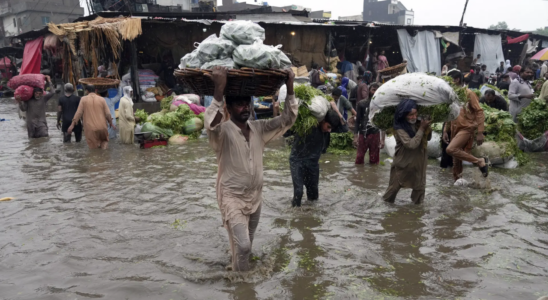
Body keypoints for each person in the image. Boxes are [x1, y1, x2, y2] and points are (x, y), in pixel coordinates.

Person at [204, 66, 298, 272]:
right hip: (232, 196)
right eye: (239, 104)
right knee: (244, 246)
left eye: (247, 103)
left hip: (255, 196)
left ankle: (239, 274)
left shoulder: (259, 128)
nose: (245, 108)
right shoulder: (223, 132)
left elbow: (288, 120)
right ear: (229, 107)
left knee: (248, 244)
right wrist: (219, 91)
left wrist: (290, 87)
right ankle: (242, 284)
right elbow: (211, 123)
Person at [382, 99, 432, 204]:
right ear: (403, 115)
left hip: (418, 164)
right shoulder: (399, 128)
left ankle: (416, 217)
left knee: (419, 192)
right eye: (410, 115)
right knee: (391, 193)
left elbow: (428, 138)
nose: (413, 117)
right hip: (402, 164)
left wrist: (427, 127)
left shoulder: (419, 123)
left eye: (415, 114)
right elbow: (410, 145)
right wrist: (422, 129)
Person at [444, 70, 489, 181]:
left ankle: (479, 161)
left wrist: (480, 132)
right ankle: (458, 182)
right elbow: (450, 113)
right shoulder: (451, 95)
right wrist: (445, 130)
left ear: (457, 79)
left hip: (467, 127)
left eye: (449, 80)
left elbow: (479, 111)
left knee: (451, 149)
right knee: (456, 160)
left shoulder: (468, 93)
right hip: (455, 127)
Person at [289, 110, 339, 207]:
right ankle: (294, 214)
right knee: (298, 192)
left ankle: (310, 214)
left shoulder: (325, 132)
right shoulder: (307, 126)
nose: (329, 130)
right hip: (297, 161)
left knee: (313, 195)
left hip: (312, 163)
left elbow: (341, 127)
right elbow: (288, 131)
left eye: (331, 128)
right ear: (323, 121)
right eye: (328, 127)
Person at [68, 85, 116, 150]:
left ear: (87, 91)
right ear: (95, 90)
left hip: (90, 128)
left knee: (94, 150)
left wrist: (72, 125)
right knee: (104, 142)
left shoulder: (83, 99)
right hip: (102, 127)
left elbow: (78, 113)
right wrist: (110, 122)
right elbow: (108, 114)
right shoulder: (102, 99)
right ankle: (105, 158)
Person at [354, 82, 385, 165]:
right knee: (359, 158)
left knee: (374, 159)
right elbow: (357, 121)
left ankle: (373, 177)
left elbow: (383, 122)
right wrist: (355, 136)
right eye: (373, 90)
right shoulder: (361, 104)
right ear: (369, 91)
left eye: (377, 90)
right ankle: (358, 176)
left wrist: (383, 139)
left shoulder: (381, 105)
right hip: (363, 133)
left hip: (375, 134)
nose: (375, 92)